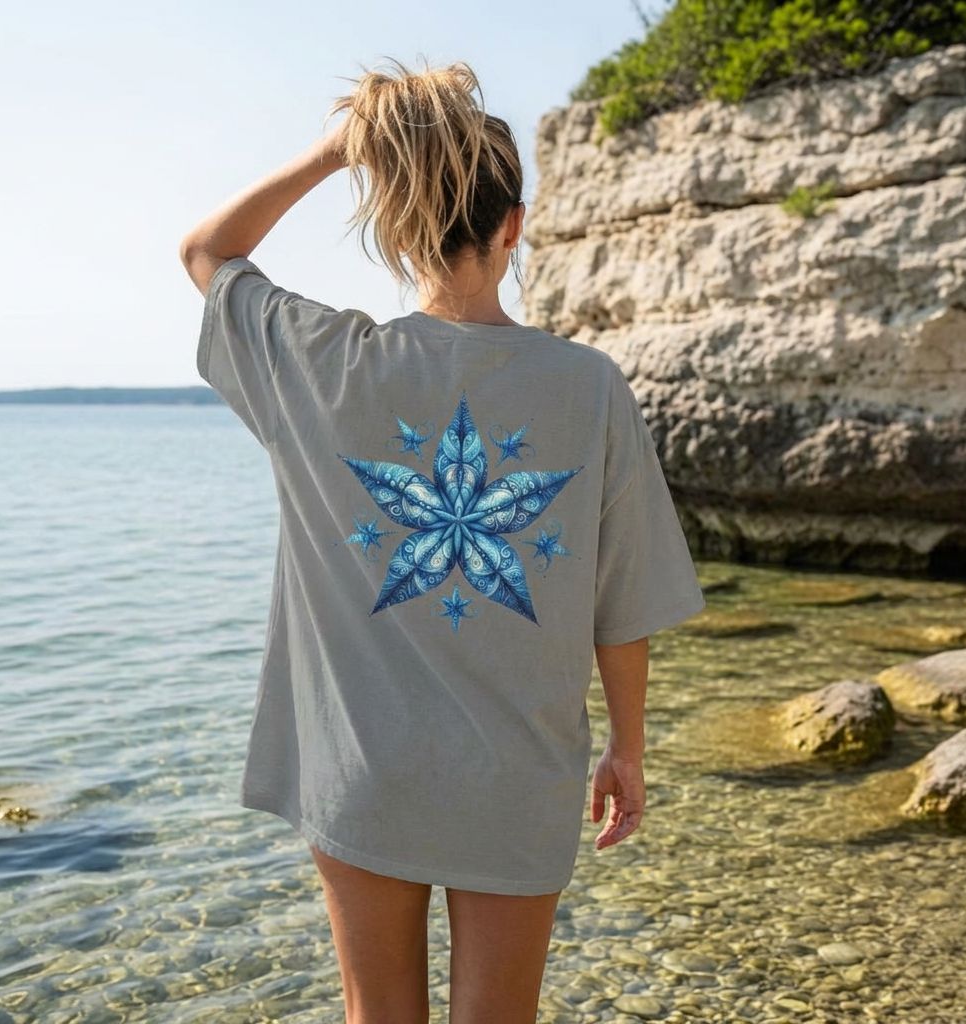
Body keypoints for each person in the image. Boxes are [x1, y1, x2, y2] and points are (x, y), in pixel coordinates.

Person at [179, 55, 705, 1024]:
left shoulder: (322, 363)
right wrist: (627, 748)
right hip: (519, 774)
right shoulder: (589, 386)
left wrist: (339, 152)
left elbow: (209, 251)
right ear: (513, 227)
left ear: (403, 228)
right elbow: (622, 593)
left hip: (362, 772)